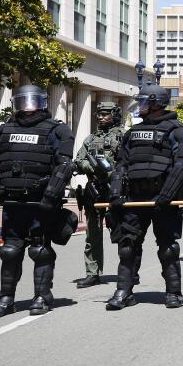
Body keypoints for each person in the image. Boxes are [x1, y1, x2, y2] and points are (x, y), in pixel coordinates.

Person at [0, 85, 75, 317]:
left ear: (43, 103)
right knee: (10, 251)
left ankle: (42, 296)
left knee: (40, 250)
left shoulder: (57, 131)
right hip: (12, 203)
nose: (28, 108)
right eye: (23, 102)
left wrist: (51, 194)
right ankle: (6, 299)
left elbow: (64, 165)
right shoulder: (2, 131)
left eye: (33, 102)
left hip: (40, 203)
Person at [106, 83, 183, 310]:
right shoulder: (132, 133)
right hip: (135, 198)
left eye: (144, 101)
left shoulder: (177, 131)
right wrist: (115, 193)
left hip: (164, 198)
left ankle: (174, 292)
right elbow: (122, 165)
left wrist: (166, 195)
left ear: (156, 104)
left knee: (168, 247)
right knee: (127, 246)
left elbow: (182, 165)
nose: (140, 105)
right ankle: (124, 291)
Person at [73, 101, 125, 288]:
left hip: (116, 189)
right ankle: (92, 273)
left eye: (106, 114)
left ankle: (127, 271)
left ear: (115, 114)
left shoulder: (123, 136)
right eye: (100, 114)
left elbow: (128, 161)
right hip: (94, 190)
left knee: (122, 232)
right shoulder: (90, 138)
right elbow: (79, 160)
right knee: (92, 234)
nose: (101, 117)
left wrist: (111, 172)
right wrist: (94, 167)